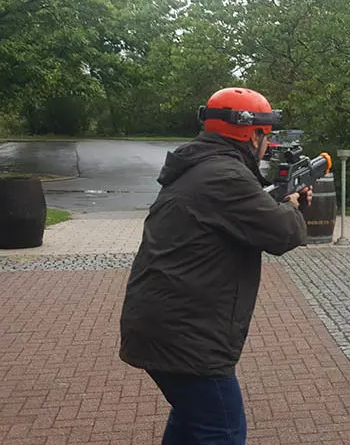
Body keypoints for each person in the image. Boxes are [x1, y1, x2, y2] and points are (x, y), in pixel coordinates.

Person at [118, 87, 311, 445]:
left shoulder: (202, 166)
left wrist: (281, 202)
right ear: (252, 135)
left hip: (166, 325)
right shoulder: (226, 176)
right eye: (266, 137)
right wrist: (293, 207)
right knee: (222, 431)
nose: (267, 145)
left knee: (193, 423)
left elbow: (237, 216)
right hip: (187, 337)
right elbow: (283, 234)